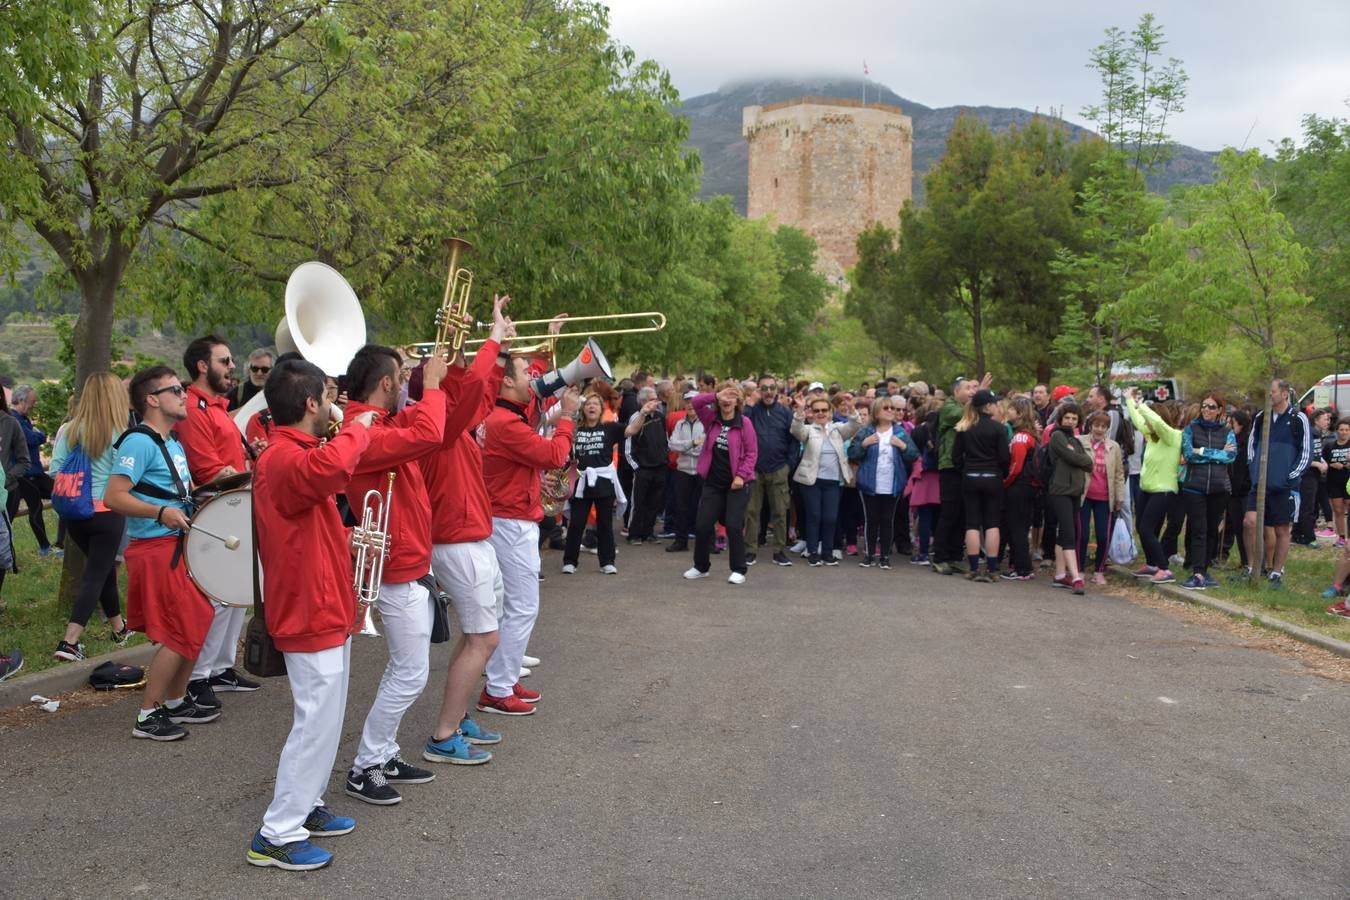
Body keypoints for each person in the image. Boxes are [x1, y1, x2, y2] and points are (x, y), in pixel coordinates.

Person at [246, 358, 377, 871]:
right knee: (314, 722)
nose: (333, 407)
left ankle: (309, 804)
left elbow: (306, 521)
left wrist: (347, 539)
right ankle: (276, 833)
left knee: (327, 717)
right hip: (308, 607)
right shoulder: (284, 457)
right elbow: (329, 470)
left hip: (324, 602)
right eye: (326, 397)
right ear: (309, 403)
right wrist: (361, 429)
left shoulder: (293, 453)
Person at [342, 345, 449, 805]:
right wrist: (437, 384)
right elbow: (430, 430)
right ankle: (365, 765)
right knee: (410, 674)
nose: (407, 382)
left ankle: (382, 753)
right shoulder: (362, 431)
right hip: (397, 567)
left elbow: (429, 425)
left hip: (408, 560)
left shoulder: (377, 423)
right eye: (401, 377)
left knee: (405, 669)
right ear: (386, 383)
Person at [104, 366, 218, 741]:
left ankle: (174, 699)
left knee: (196, 620)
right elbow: (114, 496)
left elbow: (171, 490)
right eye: (175, 390)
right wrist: (160, 513)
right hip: (155, 547)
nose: (184, 395)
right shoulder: (139, 441)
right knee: (179, 628)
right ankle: (147, 715)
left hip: (175, 545)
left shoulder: (171, 441)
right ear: (152, 399)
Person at [479, 358, 579, 716]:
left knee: (514, 606)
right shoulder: (505, 422)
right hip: (511, 520)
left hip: (508, 516)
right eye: (525, 373)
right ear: (506, 383)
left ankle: (501, 677)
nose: (532, 378)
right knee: (523, 606)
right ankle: (498, 688)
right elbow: (555, 454)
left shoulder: (504, 418)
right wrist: (567, 416)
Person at [175, 335, 262, 711]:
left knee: (237, 593)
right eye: (225, 361)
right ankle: (198, 676)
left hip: (231, 502)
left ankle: (221, 667)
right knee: (219, 597)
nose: (231, 367)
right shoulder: (194, 408)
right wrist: (247, 475)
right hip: (215, 506)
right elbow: (205, 468)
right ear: (202, 366)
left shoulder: (214, 406)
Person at [50, 373, 133, 660]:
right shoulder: (121, 432)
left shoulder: (70, 430)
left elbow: (55, 471)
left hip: (75, 515)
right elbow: (128, 475)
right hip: (108, 514)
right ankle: (70, 642)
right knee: (96, 574)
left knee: (103, 569)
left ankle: (119, 628)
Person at [1242, 379, 1313, 590]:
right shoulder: (1260, 417)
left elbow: (1306, 453)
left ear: (1284, 394)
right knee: (1249, 522)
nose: (1269, 395)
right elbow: (1251, 447)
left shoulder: (1298, 418)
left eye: (1272, 392)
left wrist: (1289, 478)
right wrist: (1255, 472)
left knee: (1282, 529)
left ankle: (1276, 573)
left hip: (1284, 486)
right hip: (1260, 484)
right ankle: (1252, 569)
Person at [684, 382, 758, 584]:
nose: (727, 400)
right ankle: (701, 567)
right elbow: (697, 402)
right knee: (702, 525)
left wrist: (741, 476)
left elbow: (751, 454)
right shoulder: (711, 420)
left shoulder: (744, 423)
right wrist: (717, 394)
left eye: (732, 396)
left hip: (737, 484)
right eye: (725, 396)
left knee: (734, 526)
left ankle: (739, 570)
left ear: (739, 401)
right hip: (713, 483)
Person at [789, 392, 861, 566]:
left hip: (833, 482)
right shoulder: (808, 430)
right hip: (811, 481)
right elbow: (795, 430)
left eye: (824, 410)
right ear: (811, 413)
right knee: (814, 516)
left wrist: (851, 408)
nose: (820, 413)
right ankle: (813, 552)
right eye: (816, 410)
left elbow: (855, 425)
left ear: (830, 412)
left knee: (830, 517)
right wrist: (799, 411)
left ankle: (827, 552)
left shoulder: (837, 429)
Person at [1177, 393, 1237, 591]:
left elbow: (1230, 456)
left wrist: (1201, 451)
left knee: (1212, 530)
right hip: (1195, 487)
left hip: (1219, 488)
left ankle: (1205, 569)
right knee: (1199, 530)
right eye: (1204, 406)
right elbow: (1188, 454)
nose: (1207, 410)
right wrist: (1214, 454)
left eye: (1212, 406)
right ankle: (1198, 572)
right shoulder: (1190, 429)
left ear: (1220, 409)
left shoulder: (1227, 431)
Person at [850, 397, 918, 569]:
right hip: (869, 483)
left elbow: (913, 455)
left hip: (892, 484)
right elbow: (852, 453)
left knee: (888, 520)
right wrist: (863, 445)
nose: (890, 411)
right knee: (871, 519)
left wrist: (903, 446)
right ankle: (869, 555)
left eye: (892, 408)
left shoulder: (900, 432)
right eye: (886, 407)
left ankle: (885, 557)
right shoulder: (866, 432)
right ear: (876, 411)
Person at [1124, 389, 1184, 584]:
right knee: (1141, 528)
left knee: (1147, 529)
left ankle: (1164, 569)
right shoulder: (1152, 437)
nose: (1147, 425)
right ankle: (1152, 565)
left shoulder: (1173, 436)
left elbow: (1156, 422)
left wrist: (1143, 405)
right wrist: (1129, 401)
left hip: (1163, 490)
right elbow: (1137, 420)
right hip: (1147, 489)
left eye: (1151, 420)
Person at [562, 393, 626, 573]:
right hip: (581, 482)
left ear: (601, 409)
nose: (591, 407)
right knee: (576, 524)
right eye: (588, 404)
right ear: (583, 409)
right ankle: (570, 561)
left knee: (605, 523)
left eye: (595, 404)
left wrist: (643, 413)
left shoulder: (609, 428)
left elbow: (631, 430)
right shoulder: (575, 430)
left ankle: (607, 562)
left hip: (604, 481)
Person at [952, 388, 1011, 582]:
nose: (996, 406)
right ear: (987, 406)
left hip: (970, 476)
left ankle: (974, 567)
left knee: (972, 523)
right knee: (992, 523)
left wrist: (965, 469)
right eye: (994, 403)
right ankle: (993, 568)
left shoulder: (965, 426)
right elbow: (1004, 457)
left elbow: (955, 457)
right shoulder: (999, 428)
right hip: (993, 476)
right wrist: (1001, 472)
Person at [743, 375, 795, 567]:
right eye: (764, 388)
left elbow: (793, 440)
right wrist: (749, 405)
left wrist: (789, 465)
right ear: (758, 390)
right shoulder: (751, 411)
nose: (768, 391)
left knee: (780, 512)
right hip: (753, 469)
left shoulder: (785, 412)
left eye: (772, 387)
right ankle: (750, 550)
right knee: (751, 512)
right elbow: (740, 427)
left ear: (777, 390)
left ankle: (779, 551)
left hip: (779, 468)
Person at [1045, 403, 1093, 595]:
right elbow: (1078, 459)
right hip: (1060, 490)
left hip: (1074, 491)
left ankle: (1059, 575)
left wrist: (1080, 458)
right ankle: (1076, 577)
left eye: (1074, 418)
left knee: (1064, 533)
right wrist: (1080, 459)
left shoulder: (1076, 440)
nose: (1071, 421)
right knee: (1069, 533)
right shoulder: (1056, 435)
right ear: (1061, 418)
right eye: (1067, 418)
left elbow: (1088, 463)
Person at [1076, 412, 1126, 586]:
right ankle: (1079, 569)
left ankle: (1099, 570)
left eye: (1103, 426)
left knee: (1103, 536)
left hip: (1105, 497)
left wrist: (1120, 496)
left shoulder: (1114, 447)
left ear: (1107, 428)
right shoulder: (1080, 442)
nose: (1099, 429)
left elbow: (1119, 473)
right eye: (1096, 425)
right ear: (1090, 426)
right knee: (1082, 536)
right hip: (1084, 496)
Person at [9, 384, 58, 556]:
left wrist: (38, 434)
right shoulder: (13, 419)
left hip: (36, 473)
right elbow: (30, 439)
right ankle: (45, 547)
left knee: (62, 493)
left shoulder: (24, 419)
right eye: (32, 401)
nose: (34, 404)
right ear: (21, 401)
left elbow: (32, 437)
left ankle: (59, 541)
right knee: (35, 507)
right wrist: (41, 435)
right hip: (25, 475)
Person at [1001, 397, 1040, 580]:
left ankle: (1022, 568)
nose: (1008, 411)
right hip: (1030, 487)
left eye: (1011, 409)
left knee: (1017, 527)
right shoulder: (1030, 435)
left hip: (1019, 487)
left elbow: (1016, 467)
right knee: (1022, 527)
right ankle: (1021, 566)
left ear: (1020, 413)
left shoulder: (1020, 437)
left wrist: (1005, 483)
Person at [624, 385, 668, 544]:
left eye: (656, 399)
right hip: (642, 468)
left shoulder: (660, 416)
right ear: (642, 401)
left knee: (654, 502)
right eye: (652, 400)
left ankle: (648, 532)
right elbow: (628, 445)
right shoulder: (636, 418)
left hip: (660, 466)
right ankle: (634, 533)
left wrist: (665, 458)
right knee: (639, 502)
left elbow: (665, 439)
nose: (656, 402)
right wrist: (637, 467)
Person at [665, 391, 705, 554]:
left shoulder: (706, 423)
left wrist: (687, 448)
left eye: (694, 401)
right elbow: (673, 445)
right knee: (681, 507)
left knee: (703, 508)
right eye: (687, 401)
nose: (690, 405)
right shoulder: (680, 424)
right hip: (683, 471)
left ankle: (706, 542)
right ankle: (680, 541)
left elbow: (706, 447)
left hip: (701, 471)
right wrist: (693, 444)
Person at [1324, 418, 1350, 550]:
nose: (1344, 432)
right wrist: (1331, 465)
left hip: (1348, 481)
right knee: (1338, 510)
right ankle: (1341, 537)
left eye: (1347, 430)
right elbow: (1324, 462)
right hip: (1334, 481)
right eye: (1341, 430)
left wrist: (1346, 465)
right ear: (1337, 431)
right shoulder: (1329, 445)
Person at [229, 348, 274, 412]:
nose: (259, 373)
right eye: (255, 369)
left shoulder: (278, 393)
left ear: (272, 370)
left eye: (265, 369)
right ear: (248, 369)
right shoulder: (236, 393)